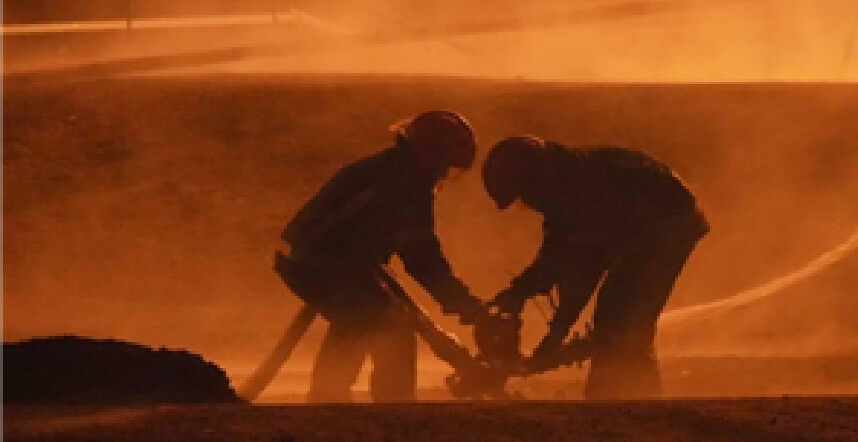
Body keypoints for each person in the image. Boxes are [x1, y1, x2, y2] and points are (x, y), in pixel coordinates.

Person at [273, 110, 487, 403]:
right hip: (323, 266)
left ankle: (328, 398)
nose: (442, 175)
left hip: (331, 263)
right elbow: (422, 259)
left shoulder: (391, 169)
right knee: (390, 325)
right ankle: (391, 406)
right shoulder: (405, 184)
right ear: (429, 152)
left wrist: (459, 303)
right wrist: (462, 302)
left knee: (361, 318)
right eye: (444, 165)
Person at [480, 135, 709, 399]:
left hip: (672, 225)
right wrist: (520, 290)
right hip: (649, 226)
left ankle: (626, 396)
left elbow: (585, 270)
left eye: (525, 195)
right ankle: (625, 394)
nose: (529, 204)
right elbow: (555, 255)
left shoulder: (584, 192)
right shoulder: (566, 189)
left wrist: (554, 337)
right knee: (619, 312)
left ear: (538, 179)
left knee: (623, 313)